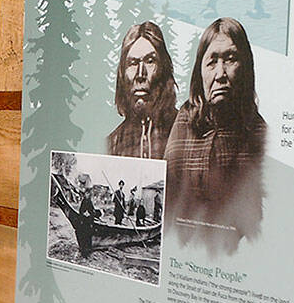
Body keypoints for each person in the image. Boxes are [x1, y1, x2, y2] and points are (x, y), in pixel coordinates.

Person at [164, 17, 267, 253]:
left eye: (230, 59)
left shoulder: (258, 133)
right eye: (212, 62)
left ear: (245, 67)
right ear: (200, 72)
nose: (220, 73)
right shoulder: (184, 122)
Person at [107, 21, 178, 159]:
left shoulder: (185, 134)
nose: (140, 74)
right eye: (133, 64)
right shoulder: (112, 143)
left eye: (150, 61)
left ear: (163, 70)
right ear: (123, 73)